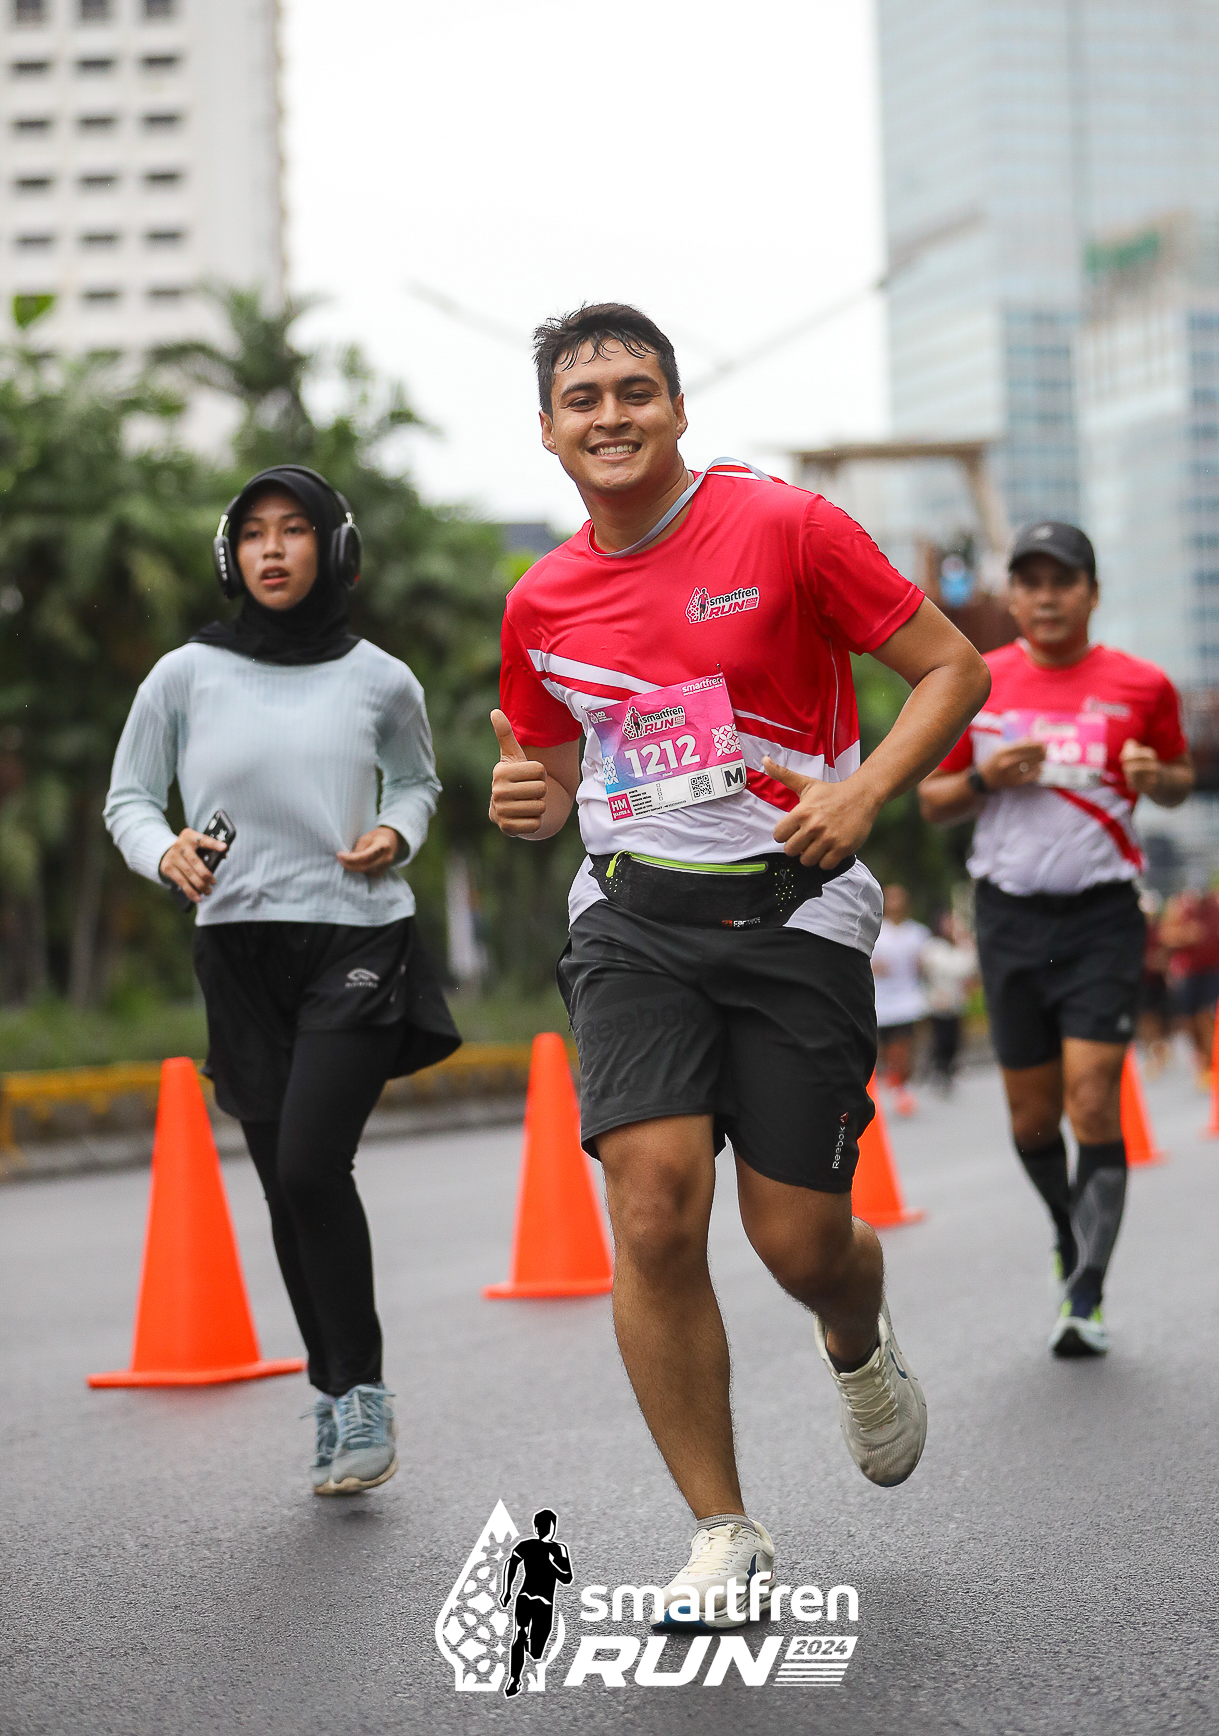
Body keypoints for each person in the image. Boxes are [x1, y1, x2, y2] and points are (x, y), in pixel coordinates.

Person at [489, 303, 988, 1620]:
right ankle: (723, 1530)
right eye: (583, 397)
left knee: (799, 1242)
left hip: (793, 911)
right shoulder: (539, 601)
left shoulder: (785, 527)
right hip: (632, 921)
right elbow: (554, 768)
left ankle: (854, 1333)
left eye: (633, 390)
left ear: (676, 407)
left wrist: (864, 790)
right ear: (546, 430)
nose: (610, 415)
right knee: (653, 1205)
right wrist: (530, 796)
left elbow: (951, 670)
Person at [105, 466, 459, 1494]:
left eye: (294, 529)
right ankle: (334, 1390)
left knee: (309, 1166)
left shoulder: (382, 680)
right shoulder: (184, 675)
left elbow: (417, 781)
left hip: (356, 934)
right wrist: (162, 850)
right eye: (254, 532)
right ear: (232, 555)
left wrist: (396, 830)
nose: (272, 549)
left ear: (333, 549)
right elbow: (130, 798)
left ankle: (364, 1394)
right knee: (281, 1186)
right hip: (237, 946)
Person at [919, 520, 1193, 1359]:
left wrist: (1156, 776)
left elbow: (1180, 780)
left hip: (1103, 916)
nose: (1045, 597)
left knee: (1093, 1097)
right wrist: (984, 777)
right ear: (1013, 596)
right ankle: (1066, 1230)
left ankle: (1087, 1291)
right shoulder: (976, 679)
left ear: (1092, 593)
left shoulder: (1143, 685)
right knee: (1033, 1117)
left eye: (1062, 581)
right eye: (1030, 581)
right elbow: (931, 799)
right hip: (1009, 918)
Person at [1160, 883, 1219, 1083]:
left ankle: (1212, 1062)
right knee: (1189, 1021)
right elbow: (1165, 936)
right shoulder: (1180, 905)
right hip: (1189, 972)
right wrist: (1186, 935)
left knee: (1206, 1015)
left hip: (1214, 969)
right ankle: (1202, 1056)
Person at [500, 1509, 573, 1698]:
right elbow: (511, 1563)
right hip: (527, 1597)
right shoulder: (527, 1545)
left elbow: (567, 1578)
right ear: (536, 1528)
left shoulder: (559, 1549)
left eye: (548, 1525)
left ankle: (527, 1646)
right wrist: (506, 1590)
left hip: (543, 1602)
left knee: (536, 1651)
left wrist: (550, 1564)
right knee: (519, 1633)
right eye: (542, 1526)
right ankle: (514, 1678)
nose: (545, 1529)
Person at [870, 884, 930, 1115]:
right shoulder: (875, 932)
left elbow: (925, 964)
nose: (896, 904)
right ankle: (896, 1081)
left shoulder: (917, 933)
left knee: (904, 1046)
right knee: (887, 1050)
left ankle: (903, 1086)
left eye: (899, 899)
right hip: (882, 1003)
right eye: (891, 899)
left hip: (908, 1001)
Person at [919, 910, 977, 1092]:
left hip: (956, 1002)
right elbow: (953, 969)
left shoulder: (958, 947)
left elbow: (969, 969)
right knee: (941, 1038)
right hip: (939, 1001)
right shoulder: (933, 947)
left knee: (954, 1038)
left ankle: (949, 1069)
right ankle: (938, 1069)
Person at [1136, 891, 1172, 1075]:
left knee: (1159, 1019)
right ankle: (1153, 1052)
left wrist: (1163, 963)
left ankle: (1159, 1050)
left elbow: (1168, 953)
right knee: (1145, 1019)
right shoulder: (1134, 932)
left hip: (1157, 982)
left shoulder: (1159, 931)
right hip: (1141, 981)